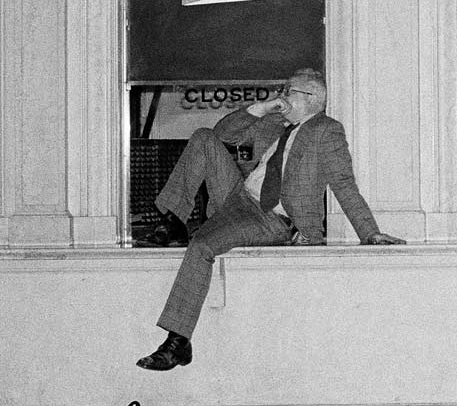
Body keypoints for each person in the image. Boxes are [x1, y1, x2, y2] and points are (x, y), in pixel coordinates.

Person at [135, 68, 405, 370]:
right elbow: (224, 135)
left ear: (310, 97)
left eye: (289, 90)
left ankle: (178, 342)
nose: (282, 94)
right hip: (239, 196)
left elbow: (344, 184)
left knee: (202, 245)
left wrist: (369, 233)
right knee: (203, 138)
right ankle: (174, 219)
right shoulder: (273, 123)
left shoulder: (326, 131)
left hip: (271, 216)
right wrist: (260, 109)